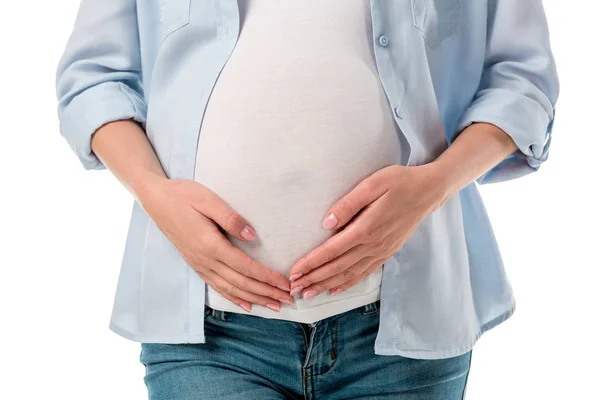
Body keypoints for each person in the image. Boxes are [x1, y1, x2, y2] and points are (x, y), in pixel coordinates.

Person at [55, 0, 559, 398]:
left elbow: (521, 80)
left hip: (404, 327)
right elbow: (94, 79)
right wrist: (156, 195)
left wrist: (435, 185)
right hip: (209, 330)